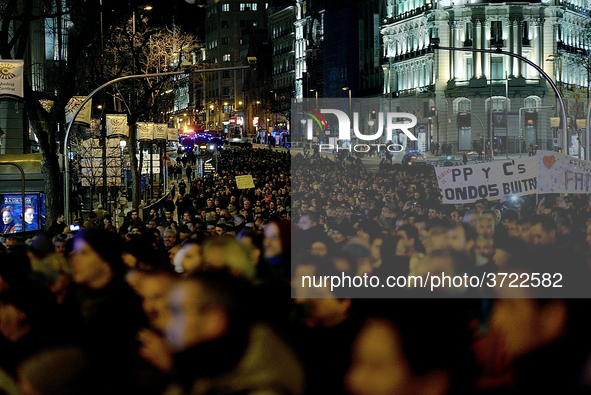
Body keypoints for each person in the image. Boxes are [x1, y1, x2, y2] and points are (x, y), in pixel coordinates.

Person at [163, 272, 304, 395]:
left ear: (215, 320)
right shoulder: (203, 373)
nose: (167, 324)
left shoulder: (263, 388)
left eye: (177, 312)